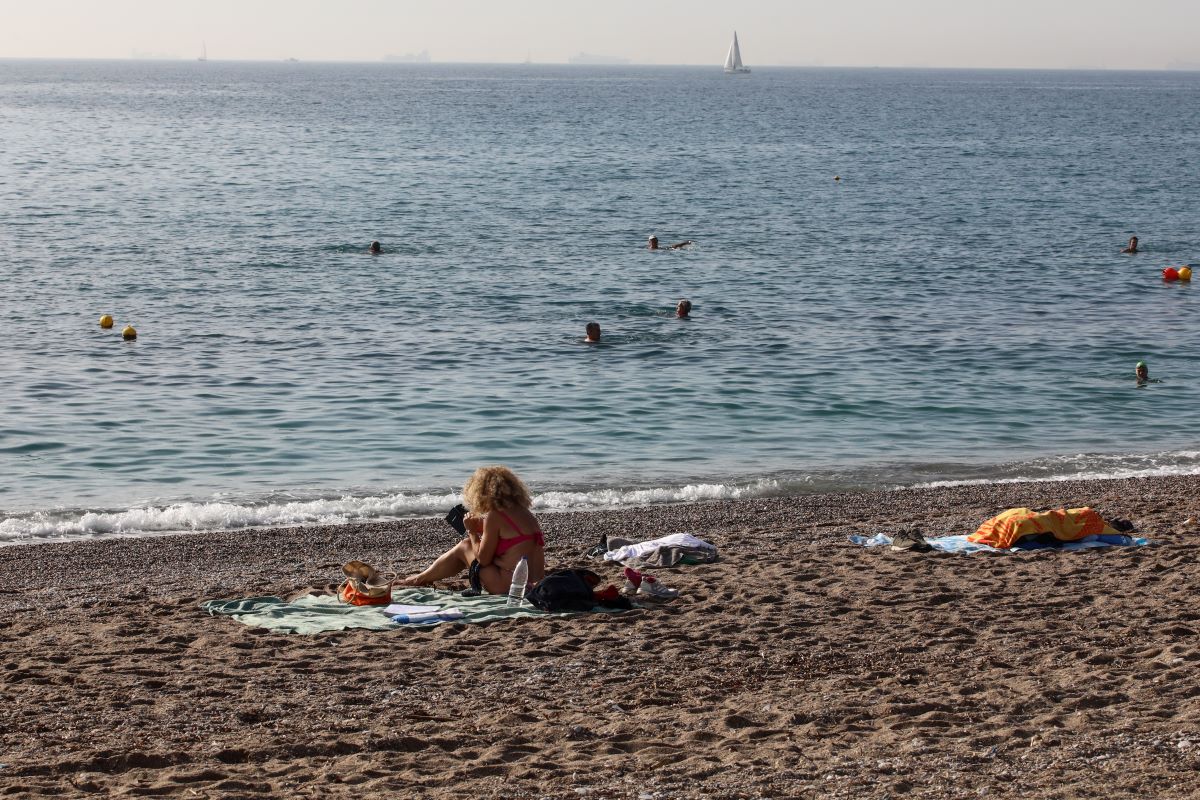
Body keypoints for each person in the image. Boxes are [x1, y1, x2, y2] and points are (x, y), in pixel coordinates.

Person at [401, 466, 546, 594]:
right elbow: (511, 544)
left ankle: (419, 579)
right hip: (534, 585)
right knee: (470, 544)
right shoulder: (525, 513)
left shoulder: (495, 516)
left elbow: (483, 559)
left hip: (508, 585)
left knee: (465, 546)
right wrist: (483, 530)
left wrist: (471, 531)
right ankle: (421, 578)